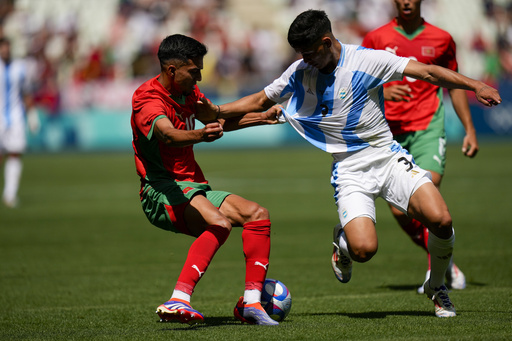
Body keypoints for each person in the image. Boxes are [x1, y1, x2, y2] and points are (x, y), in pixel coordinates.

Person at [203, 10, 501, 318]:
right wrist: (216, 111)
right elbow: (260, 101)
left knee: (441, 220)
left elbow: (427, 71)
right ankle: (343, 240)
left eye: (310, 53)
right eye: (301, 55)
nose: (305, 60)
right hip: (349, 168)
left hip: (387, 157)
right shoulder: (300, 71)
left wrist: (475, 85)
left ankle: (438, 288)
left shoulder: (367, 60)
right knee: (363, 251)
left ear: (327, 42)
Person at [130, 34, 282, 326]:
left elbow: (219, 117)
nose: (200, 77)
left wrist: (262, 117)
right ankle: (178, 299)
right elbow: (167, 134)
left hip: (192, 187)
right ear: (172, 71)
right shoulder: (147, 98)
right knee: (220, 223)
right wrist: (200, 135)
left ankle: (252, 304)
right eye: (195, 71)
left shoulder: (190, 94)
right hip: (160, 191)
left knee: (257, 215)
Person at [361, 0, 471, 294]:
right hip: (389, 132)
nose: (406, 1)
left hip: (427, 127)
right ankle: (444, 261)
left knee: (425, 193)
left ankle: (434, 275)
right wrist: (384, 89)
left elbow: (454, 84)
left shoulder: (442, 39)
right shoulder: (376, 37)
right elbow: (358, 78)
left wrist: (469, 129)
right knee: (401, 211)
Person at [0, 37, 37, 208]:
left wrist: (32, 115)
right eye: (2, 48)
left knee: (15, 153)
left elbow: (26, 93)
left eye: (7, 47)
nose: (5, 51)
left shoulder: (19, 68)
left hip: (15, 118)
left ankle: (10, 195)